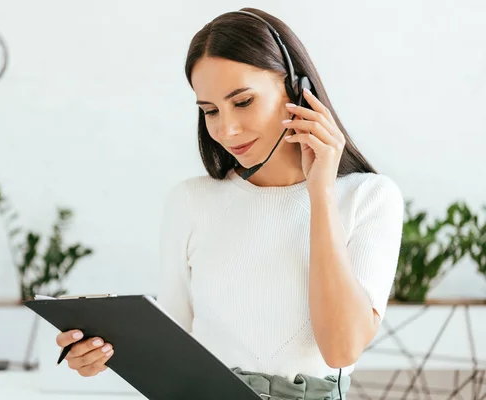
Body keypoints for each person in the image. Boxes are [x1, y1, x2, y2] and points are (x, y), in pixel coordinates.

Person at [55, 7, 404, 399]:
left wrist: (320, 191)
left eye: (242, 102)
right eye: (209, 111)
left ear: (296, 89)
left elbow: (341, 348)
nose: (226, 129)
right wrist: (103, 355)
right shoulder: (190, 201)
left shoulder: (369, 197)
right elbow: (174, 348)